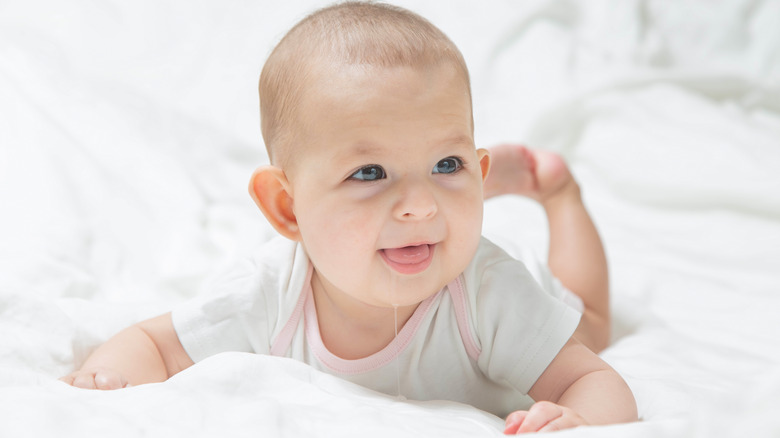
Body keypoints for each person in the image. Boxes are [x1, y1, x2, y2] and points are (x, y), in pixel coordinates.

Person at [60, 2, 636, 433]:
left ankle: (558, 191)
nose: (420, 205)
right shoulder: (269, 293)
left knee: (592, 327)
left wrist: (577, 419)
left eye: (447, 164)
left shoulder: (490, 293)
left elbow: (593, 379)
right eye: (369, 173)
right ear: (287, 207)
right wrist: (109, 382)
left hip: (520, 284)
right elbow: (156, 346)